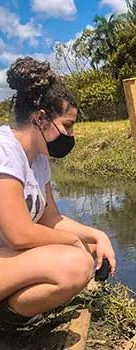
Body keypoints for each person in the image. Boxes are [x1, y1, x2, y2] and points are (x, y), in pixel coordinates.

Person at [0, 57, 116, 327]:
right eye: (67, 125)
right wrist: (74, 244)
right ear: (40, 119)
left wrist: (98, 235)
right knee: (75, 263)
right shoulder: (5, 151)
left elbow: (52, 219)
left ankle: (12, 312)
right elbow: (19, 234)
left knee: (86, 251)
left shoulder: (38, 159)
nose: (71, 135)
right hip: (7, 252)